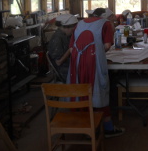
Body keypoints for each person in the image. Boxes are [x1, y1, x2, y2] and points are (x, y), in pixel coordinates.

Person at [67, 8, 125, 138]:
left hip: (77, 62)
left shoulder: (80, 23)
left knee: (82, 91)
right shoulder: (105, 24)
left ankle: (85, 126)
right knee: (99, 90)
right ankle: (107, 128)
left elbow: (71, 48)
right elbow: (107, 46)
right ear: (105, 17)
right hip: (95, 61)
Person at [47, 14, 78, 83]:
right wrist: (70, 50)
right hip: (64, 69)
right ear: (65, 27)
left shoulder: (65, 35)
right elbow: (58, 62)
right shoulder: (57, 38)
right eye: (72, 30)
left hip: (68, 64)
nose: (73, 32)